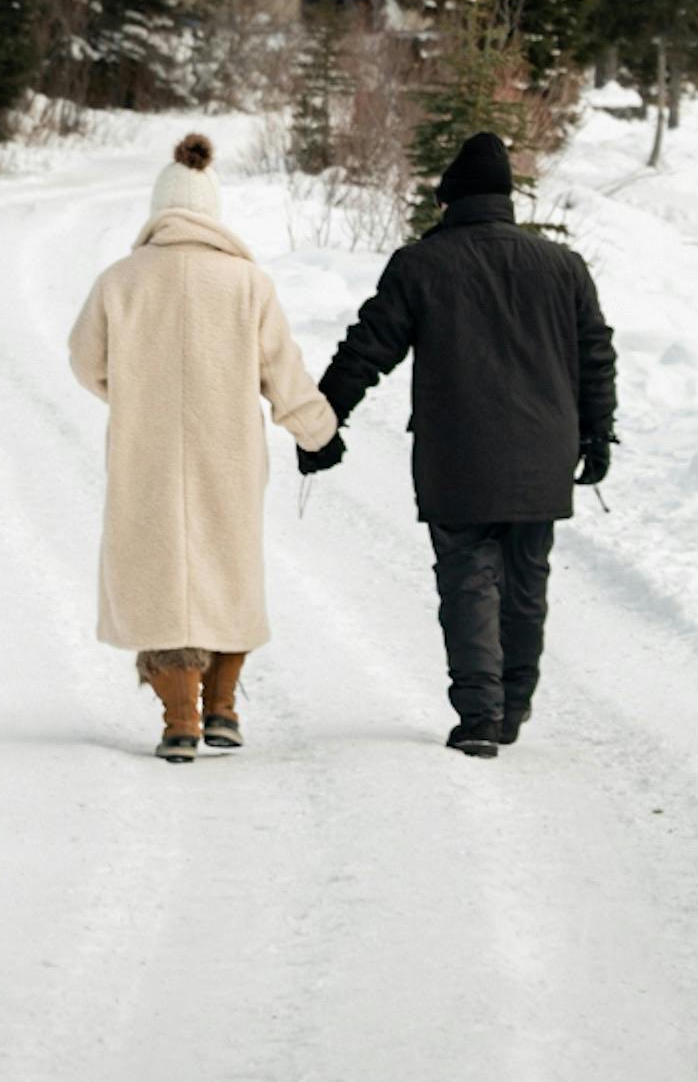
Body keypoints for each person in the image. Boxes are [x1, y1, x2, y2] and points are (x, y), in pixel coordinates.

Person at [314, 129, 617, 757]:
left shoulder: (422, 264)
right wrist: (597, 432)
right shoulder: (562, 265)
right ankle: (513, 704)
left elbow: (368, 348)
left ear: (448, 201)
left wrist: (323, 419)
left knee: (468, 579)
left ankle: (480, 715)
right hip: (543, 453)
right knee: (526, 580)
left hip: (458, 454)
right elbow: (595, 355)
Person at [65, 128, 341, 763]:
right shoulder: (248, 284)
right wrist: (318, 432)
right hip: (230, 457)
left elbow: (85, 362)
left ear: (159, 210)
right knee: (228, 570)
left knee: (157, 575)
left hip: (147, 458)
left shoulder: (120, 281)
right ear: (213, 213)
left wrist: (131, 396)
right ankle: (222, 708)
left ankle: (179, 721)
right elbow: (282, 373)